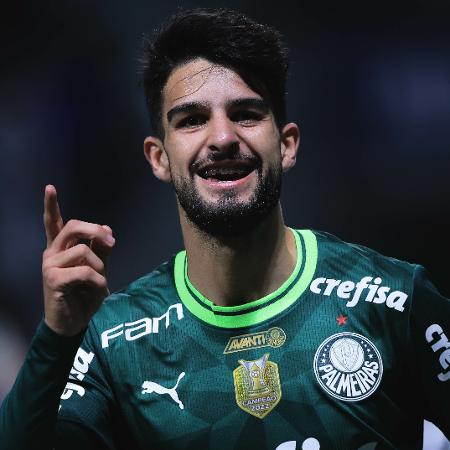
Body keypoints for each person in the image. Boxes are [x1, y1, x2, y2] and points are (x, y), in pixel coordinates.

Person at [0, 8, 449, 450]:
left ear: (287, 144)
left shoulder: (396, 301)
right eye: (192, 120)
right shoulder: (113, 342)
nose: (222, 138)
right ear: (158, 157)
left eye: (247, 113)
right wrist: (57, 337)